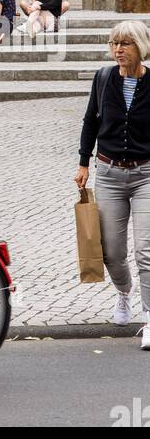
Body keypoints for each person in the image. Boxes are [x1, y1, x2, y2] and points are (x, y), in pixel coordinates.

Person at [75, 22, 150, 348]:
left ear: (141, 47)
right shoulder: (103, 78)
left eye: (126, 44)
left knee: (145, 251)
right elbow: (91, 119)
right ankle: (124, 292)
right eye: (114, 44)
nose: (119, 50)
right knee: (112, 252)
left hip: (147, 174)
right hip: (108, 174)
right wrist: (82, 162)